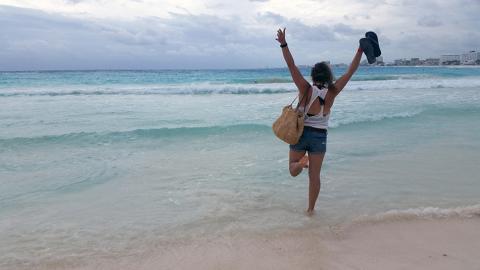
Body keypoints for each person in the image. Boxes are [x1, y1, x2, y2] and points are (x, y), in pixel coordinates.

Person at [276, 27, 363, 214]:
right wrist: (360, 50)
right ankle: (310, 210)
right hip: (319, 137)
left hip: (299, 134)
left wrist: (283, 43)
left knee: (292, 170)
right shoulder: (333, 91)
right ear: (328, 76)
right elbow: (350, 71)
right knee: (314, 176)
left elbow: (291, 65)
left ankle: (300, 163)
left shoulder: (305, 88)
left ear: (313, 76)